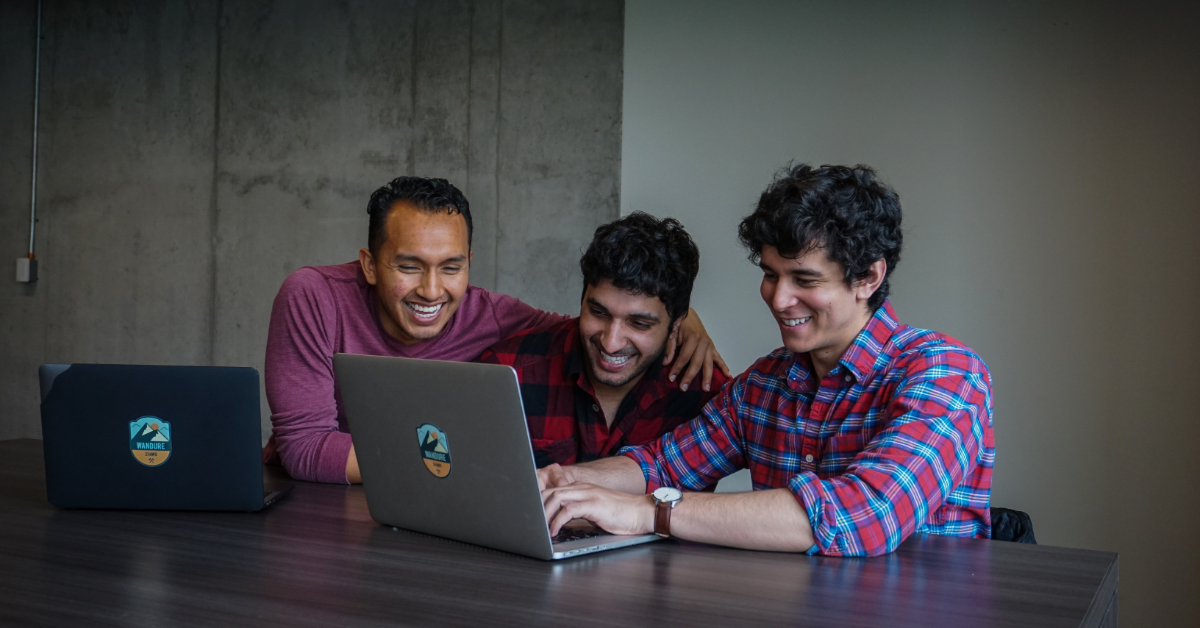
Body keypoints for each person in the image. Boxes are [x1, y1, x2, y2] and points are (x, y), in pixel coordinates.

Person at [538, 164, 994, 557]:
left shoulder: (945, 374)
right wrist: (557, 482)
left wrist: (646, 513)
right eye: (771, 275)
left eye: (804, 279)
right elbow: (661, 465)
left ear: (868, 277)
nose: (779, 298)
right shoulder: (764, 384)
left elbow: (861, 517)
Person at [264, 176, 728, 484]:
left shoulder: (498, 318)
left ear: (470, 264)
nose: (431, 291)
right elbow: (304, 448)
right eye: (408, 266)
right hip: (313, 499)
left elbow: (594, 327)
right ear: (369, 265)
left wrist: (685, 324)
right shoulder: (314, 296)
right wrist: (459, 467)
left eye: (451, 267)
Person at [478, 212, 729, 468]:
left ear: (676, 324)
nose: (611, 343)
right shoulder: (506, 372)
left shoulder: (707, 395)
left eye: (639, 324)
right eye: (598, 313)